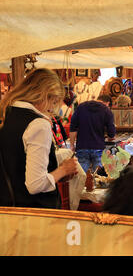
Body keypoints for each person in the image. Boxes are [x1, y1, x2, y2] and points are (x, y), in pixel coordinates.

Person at [0, 68, 78, 208]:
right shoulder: (38, 124)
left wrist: (56, 172)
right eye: (54, 102)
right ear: (44, 96)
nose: (53, 109)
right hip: (36, 214)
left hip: (8, 209)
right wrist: (63, 170)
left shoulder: (5, 114)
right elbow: (35, 184)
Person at [69, 94, 116, 173]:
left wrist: (72, 145)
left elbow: (73, 128)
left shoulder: (81, 107)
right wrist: (109, 136)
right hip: (98, 148)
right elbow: (111, 134)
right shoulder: (106, 110)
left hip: (82, 147)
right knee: (98, 177)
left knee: (82, 177)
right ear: (108, 103)